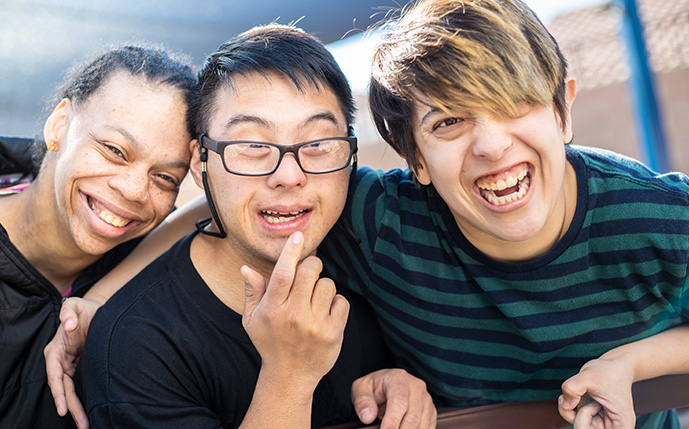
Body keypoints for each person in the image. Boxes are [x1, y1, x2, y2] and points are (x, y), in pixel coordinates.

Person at [320, 0, 689, 427]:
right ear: (416, 160)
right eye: (448, 122)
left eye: (513, 102)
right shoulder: (380, 225)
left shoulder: (660, 219)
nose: (492, 145)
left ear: (562, 112)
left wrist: (630, 362)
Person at [77, 24, 434, 429]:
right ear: (200, 163)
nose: (288, 175)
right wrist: (289, 378)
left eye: (317, 144)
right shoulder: (136, 345)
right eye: (252, 146)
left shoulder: (365, 259)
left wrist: (395, 387)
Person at [0, 45, 196, 429]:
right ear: (60, 125)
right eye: (114, 150)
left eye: (166, 178)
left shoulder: (145, 269)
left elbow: (213, 214)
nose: (135, 190)